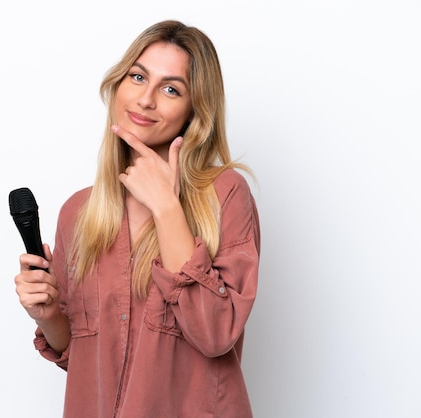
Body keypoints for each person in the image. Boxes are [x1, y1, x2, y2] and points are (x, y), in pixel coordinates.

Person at [14, 19, 261, 418]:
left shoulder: (224, 194)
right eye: (137, 76)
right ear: (118, 85)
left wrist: (166, 207)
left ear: (194, 109)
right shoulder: (78, 213)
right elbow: (84, 356)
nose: (146, 99)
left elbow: (216, 334)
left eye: (170, 89)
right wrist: (48, 315)